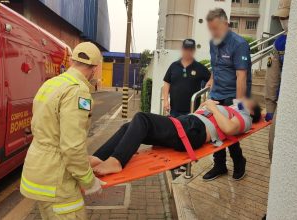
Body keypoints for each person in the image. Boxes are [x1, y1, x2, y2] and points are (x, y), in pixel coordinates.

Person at [20, 42, 104, 220]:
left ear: (73, 61)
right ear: (94, 69)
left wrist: (86, 160)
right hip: (57, 180)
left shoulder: (51, 83)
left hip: (38, 171)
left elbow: (50, 131)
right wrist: (89, 182)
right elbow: (72, 147)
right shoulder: (77, 92)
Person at [90, 99, 262, 175]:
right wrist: (208, 107)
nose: (241, 99)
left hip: (193, 130)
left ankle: (117, 161)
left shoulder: (244, 117)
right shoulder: (236, 107)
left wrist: (212, 107)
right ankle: (98, 157)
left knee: (142, 118)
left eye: (247, 101)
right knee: (130, 126)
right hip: (188, 125)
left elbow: (229, 128)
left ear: (251, 110)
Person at [203, 8, 252, 181]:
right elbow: (215, 66)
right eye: (211, 29)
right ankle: (220, 165)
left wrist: (238, 106)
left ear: (226, 24)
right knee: (214, 128)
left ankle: (239, 162)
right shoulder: (213, 42)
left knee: (229, 132)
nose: (214, 32)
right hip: (217, 93)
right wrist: (211, 80)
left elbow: (241, 76)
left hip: (233, 94)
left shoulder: (239, 44)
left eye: (216, 28)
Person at [265, 0, 291, 161]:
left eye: (287, 17)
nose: (284, 21)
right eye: (281, 18)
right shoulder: (279, 43)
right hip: (281, 101)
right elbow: (272, 78)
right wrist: (270, 106)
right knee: (273, 144)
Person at [163, 39, 211, 117]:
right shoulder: (174, 66)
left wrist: (208, 87)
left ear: (194, 50)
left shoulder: (199, 67)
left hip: (192, 111)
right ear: (182, 49)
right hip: (174, 111)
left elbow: (211, 78)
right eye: (186, 49)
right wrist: (165, 101)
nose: (188, 52)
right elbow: (167, 82)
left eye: (190, 49)